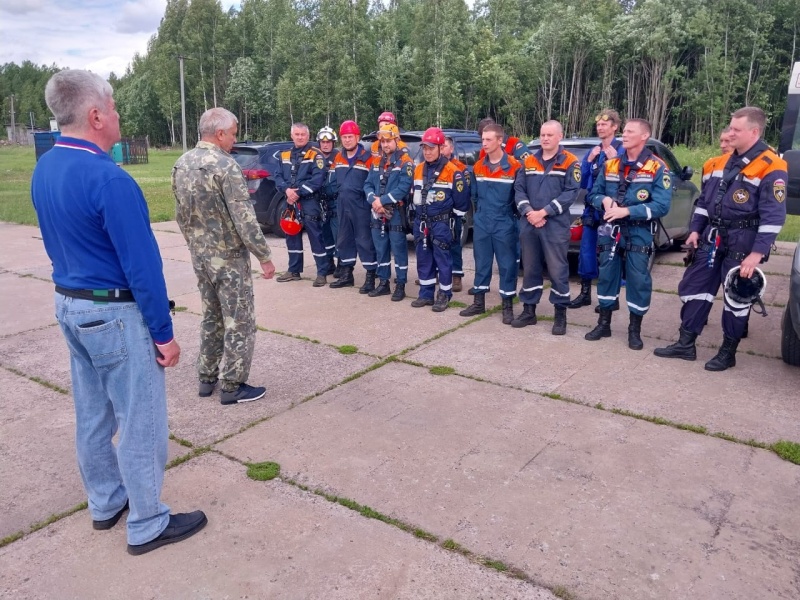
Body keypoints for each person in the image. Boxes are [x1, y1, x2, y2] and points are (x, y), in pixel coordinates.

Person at [31, 69, 206, 556]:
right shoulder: (109, 178)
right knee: (141, 416)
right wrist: (164, 333)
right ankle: (148, 519)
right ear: (94, 115)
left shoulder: (45, 166)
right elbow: (142, 267)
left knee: (92, 413)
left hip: (70, 302)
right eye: (113, 106)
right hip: (112, 311)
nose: (118, 115)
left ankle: (106, 502)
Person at [654, 107, 787, 370]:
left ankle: (728, 352)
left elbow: (774, 216)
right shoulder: (719, 163)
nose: (730, 133)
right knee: (695, 288)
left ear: (754, 132)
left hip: (743, 241)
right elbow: (704, 202)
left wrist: (756, 254)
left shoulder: (772, 165)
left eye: (736, 130)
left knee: (736, 298)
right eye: (730, 127)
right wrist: (694, 230)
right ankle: (686, 343)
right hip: (711, 238)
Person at [173, 107, 276, 405]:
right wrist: (264, 256)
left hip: (201, 256)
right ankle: (232, 384)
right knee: (238, 320)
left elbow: (180, 215)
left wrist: (195, 245)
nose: (234, 140)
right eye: (232, 134)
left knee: (211, 315)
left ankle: (206, 377)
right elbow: (244, 218)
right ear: (219, 134)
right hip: (229, 259)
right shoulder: (225, 165)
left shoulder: (182, 163)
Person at [584, 118, 672, 349]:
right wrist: (602, 200)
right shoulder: (610, 165)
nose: (624, 134)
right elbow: (592, 194)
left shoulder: (657, 167)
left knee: (638, 279)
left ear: (644, 136)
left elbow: (662, 206)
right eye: (624, 131)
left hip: (639, 231)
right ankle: (604, 324)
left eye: (630, 131)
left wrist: (627, 211)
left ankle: (635, 330)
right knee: (606, 275)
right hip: (610, 230)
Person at [512, 120, 581, 334]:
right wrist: (530, 213)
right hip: (530, 223)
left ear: (560, 137)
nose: (545, 138)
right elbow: (519, 189)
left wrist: (544, 212)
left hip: (555, 225)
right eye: (542, 134)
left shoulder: (570, 162)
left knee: (557, 270)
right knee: (530, 268)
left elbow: (571, 193)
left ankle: (560, 315)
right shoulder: (529, 161)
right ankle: (528, 310)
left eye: (550, 135)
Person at [460, 123, 524, 323]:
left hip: (505, 222)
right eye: (483, 140)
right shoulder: (479, 166)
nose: (484, 143)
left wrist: (510, 218)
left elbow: (519, 196)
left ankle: (507, 305)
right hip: (482, 222)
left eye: (488, 140)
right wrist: (480, 215)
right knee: (482, 262)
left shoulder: (515, 166)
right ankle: (479, 302)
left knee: (507, 265)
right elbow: (475, 196)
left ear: (499, 141)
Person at [568, 109, 623, 311]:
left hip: (612, 213)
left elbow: (626, 182)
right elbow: (581, 182)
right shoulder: (595, 151)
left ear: (614, 127)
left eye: (604, 124)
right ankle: (584, 294)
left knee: (610, 256)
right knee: (587, 254)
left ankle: (611, 299)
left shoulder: (622, 151)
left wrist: (616, 160)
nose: (600, 128)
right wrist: (588, 161)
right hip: (592, 211)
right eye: (598, 125)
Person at [411, 127, 469, 312]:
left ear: (440, 148)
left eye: (431, 148)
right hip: (421, 221)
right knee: (423, 257)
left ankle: (444, 294)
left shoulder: (453, 171)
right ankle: (426, 293)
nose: (427, 152)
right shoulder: (418, 169)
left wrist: (452, 223)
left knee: (443, 258)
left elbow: (462, 203)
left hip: (442, 223)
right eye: (425, 148)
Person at [364, 123, 414, 301]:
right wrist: (374, 200)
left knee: (399, 249)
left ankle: (400, 285)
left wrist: (382, 201)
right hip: (377, 212)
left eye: (388, 141)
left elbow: (404, 187)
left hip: (396, 213)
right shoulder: (376, 161)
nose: (385, 145)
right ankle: (383, 283)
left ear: (397, 140)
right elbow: (367, 184)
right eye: (382, 141)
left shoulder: (406, 162)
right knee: (380, 249)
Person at [273, 123, 328, 285]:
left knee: (316, 237)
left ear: (308, 135)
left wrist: (297, 192)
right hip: (289, 202)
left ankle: (322, 273)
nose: (300, 137)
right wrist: (287, 191)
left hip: (309, 202)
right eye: (297, 134)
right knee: (291, 235)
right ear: (292, 136)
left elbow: (317, 179)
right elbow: (277, 177)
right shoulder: (284, 155)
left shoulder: (316, 155)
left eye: (303, 134)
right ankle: (294, 270)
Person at [329, 120, 378, 292]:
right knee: (344, 240)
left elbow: (373, 183)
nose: (347, 140)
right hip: (342, 204)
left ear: (357, 137)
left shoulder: (368, 158)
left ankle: (370, 277)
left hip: (361, 206)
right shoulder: (338, 157)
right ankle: (346, 275)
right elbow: (333, 181)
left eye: (350, 136)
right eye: (344, 137)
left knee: (364, 241)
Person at [442, 135, 471, 292]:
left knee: (454, 244)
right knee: (435, 245)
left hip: (453, 214)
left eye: (445, 146)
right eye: (440, 146)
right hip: (436, 214)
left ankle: (456, 276)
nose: (441, 149)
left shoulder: (460, 168)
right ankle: (435, 274)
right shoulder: (432, 166)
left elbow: (464, 193)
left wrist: (457, 213)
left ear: (451, 148)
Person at [317, 126, 341, 277]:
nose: (325, 144)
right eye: (322, 142)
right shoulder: (315, 157)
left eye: (328, 141)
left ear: (333, 142)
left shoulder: (339, 157)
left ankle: (341, 264)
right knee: (325, 234)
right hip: (320, 202)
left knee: (338, 234)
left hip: (336, 202)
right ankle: (329, 262)